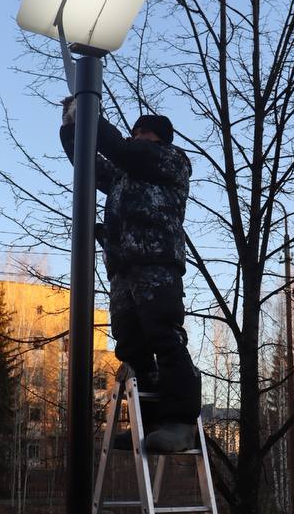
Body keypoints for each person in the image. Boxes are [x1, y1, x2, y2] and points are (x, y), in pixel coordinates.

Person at [60, 97, 201, 453]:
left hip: (157, 263)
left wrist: (92, 117)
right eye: (135, 132)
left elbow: (120, 150)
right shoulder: (126, 173)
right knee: (131, 346)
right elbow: (87, 163)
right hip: (123, 269)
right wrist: (71, 127)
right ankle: (153, 423)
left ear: (158, 139)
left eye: (143, 133)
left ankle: (181, 422)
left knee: (164, 337)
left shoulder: (170, 161)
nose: (137, 137)